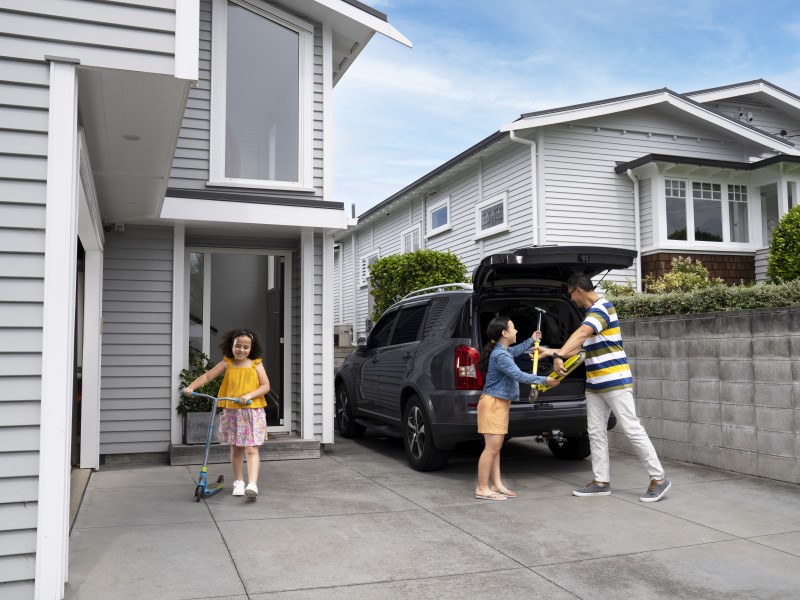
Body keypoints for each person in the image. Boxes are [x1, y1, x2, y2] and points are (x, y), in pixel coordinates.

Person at [541, 273, 671, 502]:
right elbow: (580, 348)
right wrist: (551, 352)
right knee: (595, 432)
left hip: (614, 380)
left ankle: (659, 478)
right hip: (594, 384)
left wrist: (559, 354)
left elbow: (581, 334)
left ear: (578, 290)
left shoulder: (602, 308)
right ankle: (601, 482)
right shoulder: (590, 316)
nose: (572, 300)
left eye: (571, 294)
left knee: (632, 428)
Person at [475, 316, 559, 501]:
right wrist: (545, 380)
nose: (516, 331)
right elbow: (519, 375)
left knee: (495, 448)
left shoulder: (502, 350)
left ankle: (496, 484)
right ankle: (482, 488)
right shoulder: (501, 355)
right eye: (513, 328)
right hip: (493, 404)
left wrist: (531, 339)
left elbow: (517, 350)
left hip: (498, 403)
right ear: (504, 333)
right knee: (491, 449)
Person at [183, 329, 270, 500]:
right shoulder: (227, 363)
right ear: (231, 346)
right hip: (232, 412)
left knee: (251, 449)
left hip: (252, 411)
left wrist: (249, 395)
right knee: (236, 448)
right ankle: (239, 482)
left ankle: (252, 484)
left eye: (245, 347)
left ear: (251, 349)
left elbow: (265, 386)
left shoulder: (256, 364)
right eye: (238, 346)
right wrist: (191, 387)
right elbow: (208, 376)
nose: (241, 350)